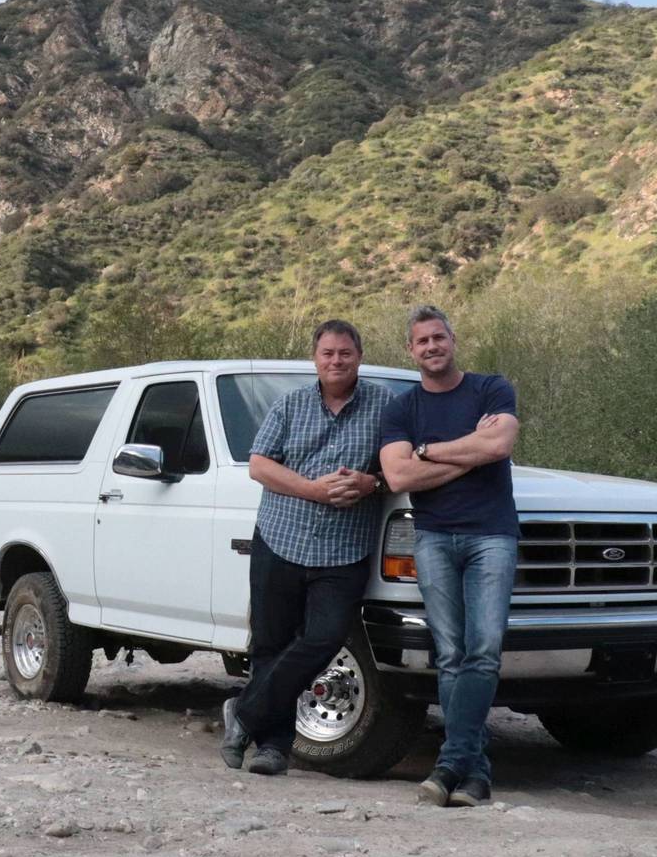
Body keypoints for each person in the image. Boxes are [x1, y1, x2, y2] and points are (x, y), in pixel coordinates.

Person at [221, 319, 389, 776]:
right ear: (315, 358)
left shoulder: (385, 407)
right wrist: (313, 490)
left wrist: (372, 481)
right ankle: (273, 747)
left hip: (344, 546)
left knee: (324, 638)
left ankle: (244, 711)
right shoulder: (290, 404)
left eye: (345, 353)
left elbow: (401, 464)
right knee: (270, 644)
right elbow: (259, 466)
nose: (336, 360)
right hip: (281, 536)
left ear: (360, 355)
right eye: (328, 353)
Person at [378, 305, 520, 807]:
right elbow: (397, 478)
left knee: (483, 650)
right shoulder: (402, 408)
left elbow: (500, 444)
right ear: (410, 350)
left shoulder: (492, 388)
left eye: (439, 337)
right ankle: (475, 772)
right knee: (450, 654)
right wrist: (469, 450)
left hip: (491, 537)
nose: (432, 346)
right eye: (422, 341)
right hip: (434, 536)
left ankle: (450, 764)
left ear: (453, 340)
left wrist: (428, 451)